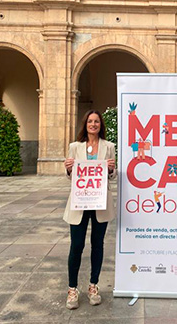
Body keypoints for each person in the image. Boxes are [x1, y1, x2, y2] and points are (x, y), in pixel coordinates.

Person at [63, 110, 116, 310]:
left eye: (97, 121)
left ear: (101, 125)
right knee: (76, 245)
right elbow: (70, 176)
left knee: (97, 244)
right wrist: (68, 168)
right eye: (90, 121)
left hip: (100, 202)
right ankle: (72, 289)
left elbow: (112, 176)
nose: (93, 124)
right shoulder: (74, 147)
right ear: (85, 124)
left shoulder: (109, 146)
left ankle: (93, 285)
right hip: (80, 202)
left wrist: (111, 169)